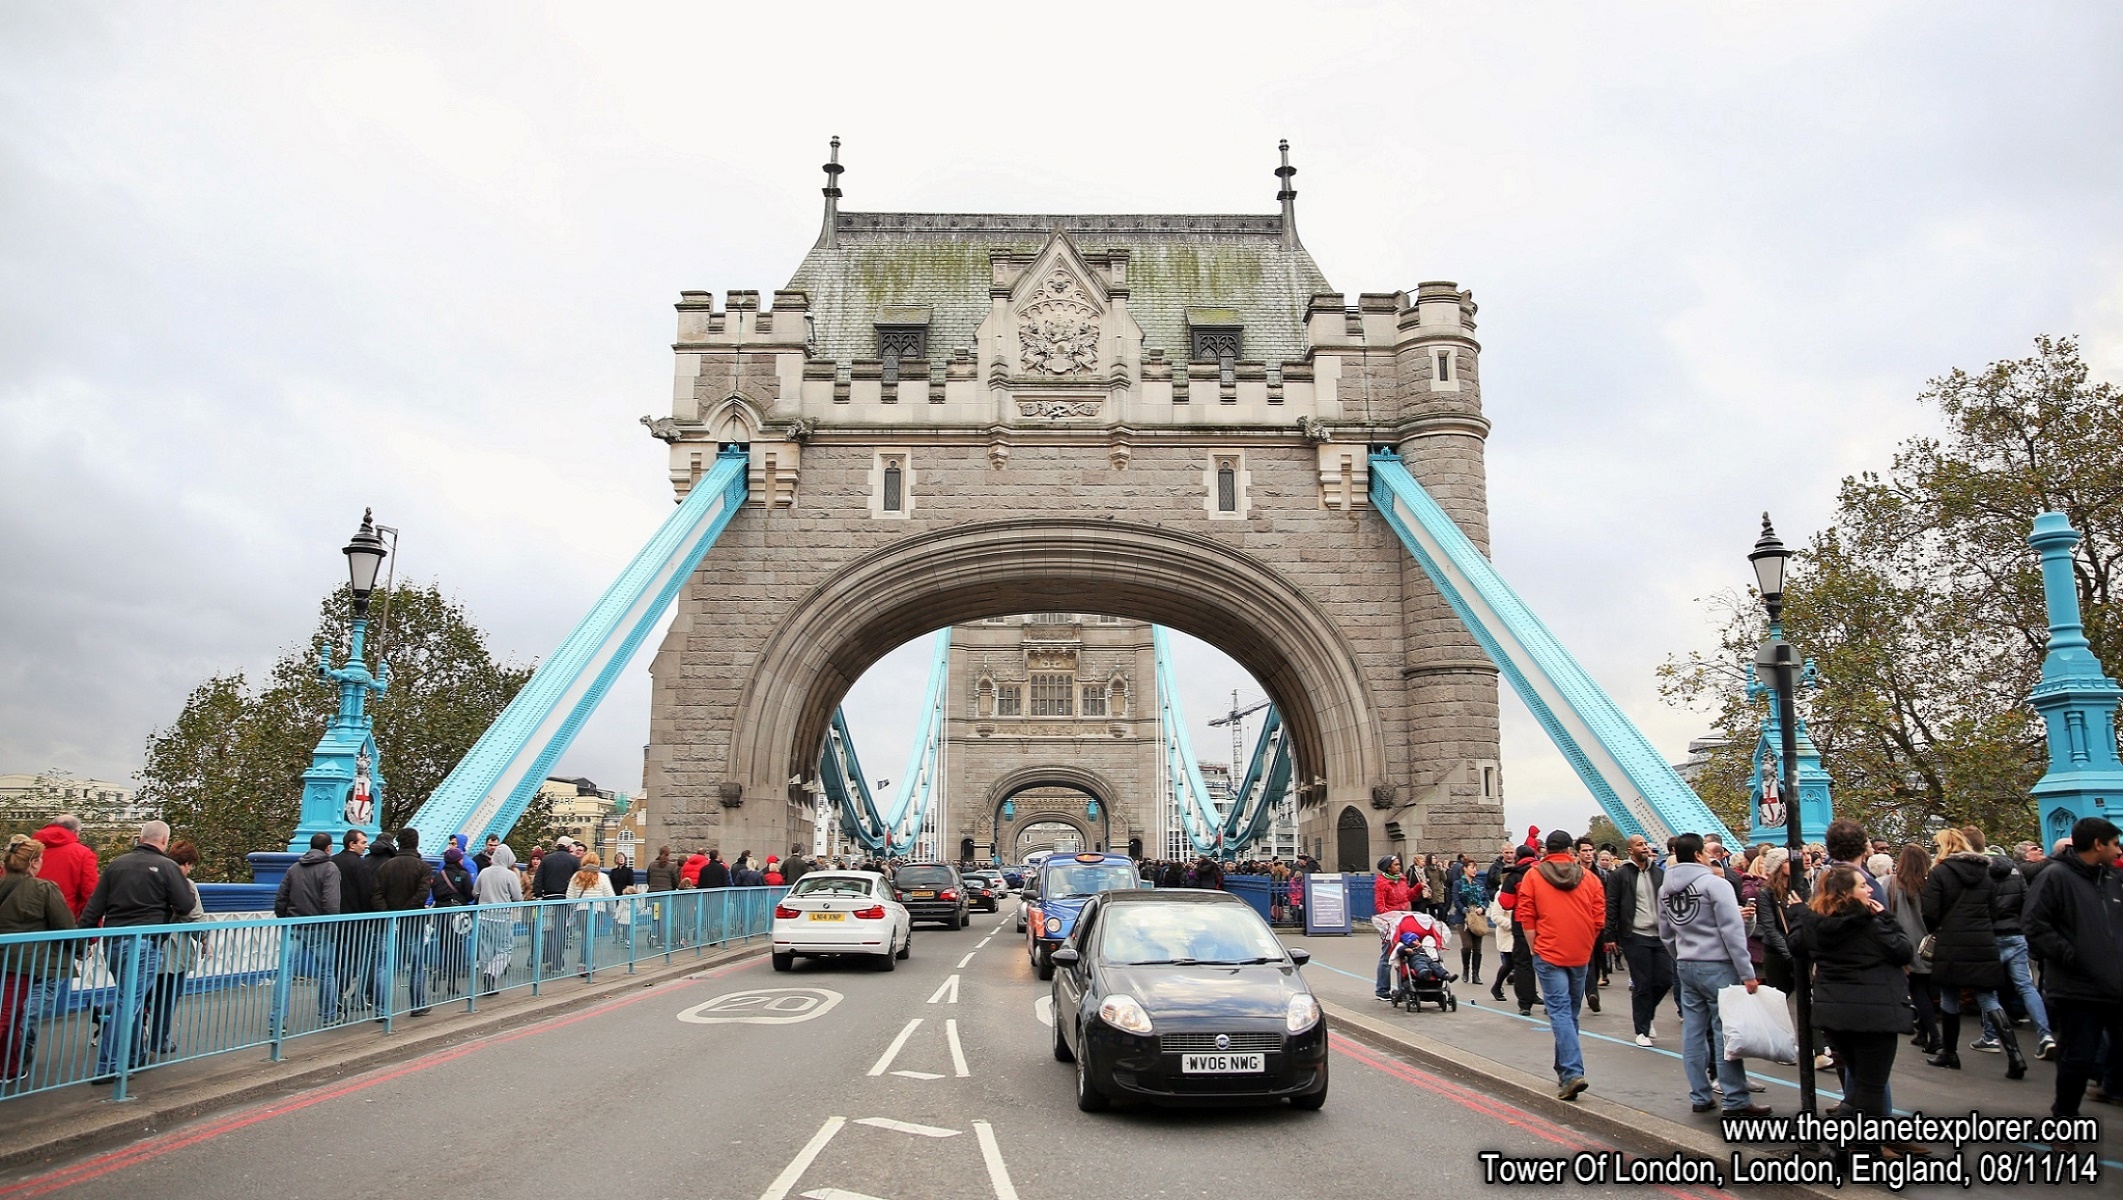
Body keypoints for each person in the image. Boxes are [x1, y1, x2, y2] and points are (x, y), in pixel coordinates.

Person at [1790, 864, 1914, 1160]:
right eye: (1862, 886)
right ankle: (1836, 1141)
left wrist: (1799, 915)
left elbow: (1796, 945)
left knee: (1859, 1079)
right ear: (1846, 893)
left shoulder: (1816, 924)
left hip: (1835, 1016)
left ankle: (1863, 1148)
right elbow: (1904, 952)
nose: (1870, 889)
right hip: (1875, 1015)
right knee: (1870, 1088)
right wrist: (1885, 917)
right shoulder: (1872, 924)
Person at [1658, 833, 1770, 1118]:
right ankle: (1735, 1099)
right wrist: (1747, 973)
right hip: (1718, 964)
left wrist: (1681, 955)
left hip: (1687, 963)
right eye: (1707, 853)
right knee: (1725, 1032)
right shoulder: (1715, 885)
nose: (1712, 857)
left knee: (1693, 1032)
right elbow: (1732, 933)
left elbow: (1666, 933)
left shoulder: (1665, 889)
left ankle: (1700, 1094)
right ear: (1697, 855)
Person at [79, 821, 199, 1081]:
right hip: (145, 943)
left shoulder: (116, 865)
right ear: (165, 840)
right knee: (129, 1003)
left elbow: (94, 907)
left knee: (130, 1001)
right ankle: (109, 1067)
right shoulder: (168, 867)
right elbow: (187, 905)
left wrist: (81, 943)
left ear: (140, 837)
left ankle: (133, 1058)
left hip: (113, 942)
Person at [2022, 816, 2123, 1121]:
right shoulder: (2055, 876)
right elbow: (2034, 924)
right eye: (2115, 844)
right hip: (2077, 989)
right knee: (2077, 1058)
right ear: (2097, 844)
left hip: (2115, 985)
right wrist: (2070, 954)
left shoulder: (2112, 879)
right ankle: (2064, 1118)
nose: (2119, 851)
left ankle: (2110, 1087)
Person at [1515, 830, 1607, 1101]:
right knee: (1570, 1013)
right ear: (1570, 851)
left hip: (1548, 951)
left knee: (1559, 1012)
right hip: (1580, 952)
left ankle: (1571, 1072)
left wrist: (1534, 948)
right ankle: (1563, 1069)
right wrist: (1587, 941)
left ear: (1546, 851)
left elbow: (1526, 915)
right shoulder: (1589, 878)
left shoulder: (1533, 875)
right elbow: (1599, 917)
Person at [1920, 827, 2020, 1077]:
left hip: (1951, 940)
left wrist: (1938, 928)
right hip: (1983, 939)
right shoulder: (1985, 873)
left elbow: (1930, 911)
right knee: (1988, 997)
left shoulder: (1939, 872)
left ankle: (1950, 1053)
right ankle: (2015, 1053)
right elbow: (1994, 909)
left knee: (1949, 996)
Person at [1968, 828, 2055, 1062]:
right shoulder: (2015, 872)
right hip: (2016, 934)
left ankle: (1990, 1036)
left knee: (1989, 988)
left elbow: (1979, 905)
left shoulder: (1980, 873)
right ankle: (2046, 1035)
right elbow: (2027, 900)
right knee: (2026, 986)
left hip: (1991, 935)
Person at [0, 835, 77, 1084]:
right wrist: (78, 950)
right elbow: (65, 926)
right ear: (33, 862)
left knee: (11, 1015)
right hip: (20, 962)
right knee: (9, 1015)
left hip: (8, 958)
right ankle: (8, 1068)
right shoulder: (44, 888)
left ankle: (9, 1068)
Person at [270, 832, 342, 1032]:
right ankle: (328, 1016)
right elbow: (331, 903)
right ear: (328, 848)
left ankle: (277, 1021)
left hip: (294, 924)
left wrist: (284, 919)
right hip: (320, 927)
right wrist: (332, 926)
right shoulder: (330, 868)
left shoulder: (294, 868)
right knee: (327, 972)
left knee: (284, 973)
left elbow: (281, 899)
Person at [1605, 833, 1671, 1047]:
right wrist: (1610, 935)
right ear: (1630, 850)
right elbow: (1612, 905)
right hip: (1635, 936)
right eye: (1639, 844)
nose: (1645, 847)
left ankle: (1647, 1015)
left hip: (1659, 935)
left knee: (1664, 980)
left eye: (1645, 844)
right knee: (1642, 983)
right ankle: (1641, 1030)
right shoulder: (1620, 875)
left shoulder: (1659, 873)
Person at [141, 841, 207, 1056]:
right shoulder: (185, 885)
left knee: (140, 998)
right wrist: (205, 939)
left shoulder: (149, 879)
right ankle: (158, 1041)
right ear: (187, 864)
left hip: (144, 946)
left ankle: (132, 1044)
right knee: (166, 999)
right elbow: (195, 918)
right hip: (174, 952)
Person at [373, 827, 437, 1018]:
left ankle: (381, 1011)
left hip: (387, 921)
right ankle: (417, 1005)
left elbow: (376, 894)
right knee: (416, 965)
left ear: (398, 843)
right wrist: (405, 912)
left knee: (384, 966)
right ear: (416, 843)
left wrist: (389, 914)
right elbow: (422, 895)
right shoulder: (423, 867)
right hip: (413, 922)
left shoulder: (385, 866)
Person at [330, 829, 377, 1013]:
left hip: (334, 918)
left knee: (336, 959)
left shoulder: (332, 861)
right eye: (363, 842)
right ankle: (341, 991)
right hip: (357, 920)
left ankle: (332, 995)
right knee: (354, 960)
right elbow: (366, 893)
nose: (366, 846)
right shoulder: (360, 865)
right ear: (352, 844)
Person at [473, 842, 523, 996]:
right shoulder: (510, 875)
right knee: (505, 949)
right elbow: (518, 897)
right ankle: (492, 973)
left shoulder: (484, 872)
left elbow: (475, 892)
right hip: (502, 916)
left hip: (483, 915)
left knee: (485, 949)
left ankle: (487, 985)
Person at [1497, 845, 1542, 1014]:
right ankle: (1549, 998)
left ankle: (1525, 1002)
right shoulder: (1544, 872)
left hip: (1522, 921)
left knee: (1523, 963)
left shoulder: (1514, 875)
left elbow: (1506, 902)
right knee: (1549, 962)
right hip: (1545, 921)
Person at [31, 814, 99, 919]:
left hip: (27, 918)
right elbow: (89, 892)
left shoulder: (26, 849)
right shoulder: (83, 854)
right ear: (76, 832)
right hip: (65, 920)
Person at [429, 845, 476, 995]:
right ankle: (452, 982)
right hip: (457, 914)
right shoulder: (463, 874)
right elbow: (470, 895)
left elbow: (435, 894)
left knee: (443, 946)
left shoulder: (438, 875)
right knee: (456, 948)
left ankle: (440, 970)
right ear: (458, 860)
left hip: (441, 913)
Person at [534, 838, 581, 971]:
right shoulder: (573, 861)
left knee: (548, 930)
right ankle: (557, 962)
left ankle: (546, 958)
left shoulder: (547, 859)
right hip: (564, 899)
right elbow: (578, 880)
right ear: (567, 846)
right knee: (560, 932)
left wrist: (538, 895)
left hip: (548, 898)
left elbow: (538, 879)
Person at [565, 852, 614, 977]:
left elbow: (569, 896)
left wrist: (574, 907)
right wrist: (612, 910)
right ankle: (586, 964)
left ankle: (584, 964)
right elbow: (610, 897)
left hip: (581, 910)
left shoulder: (576, 876)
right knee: (590, 938)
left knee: (585, 937)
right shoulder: (602, 877)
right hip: (597, 911)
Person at [1372, 856, 1414, 1000]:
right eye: (1396, 865)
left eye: (1399, 864)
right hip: (1390, 923)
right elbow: (1380, 905)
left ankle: (1404, 989)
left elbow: (1409, 896)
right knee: (1388, 955)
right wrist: (1388, 918)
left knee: (1403, 954)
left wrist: (1420, 888)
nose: (1399, 867)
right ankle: (1382, 990)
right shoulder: (1382, 883)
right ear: (1388, 867)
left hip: (1403, 920)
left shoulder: (1402, 879)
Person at [1451, 861, 1487, 985]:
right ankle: (1466, 969)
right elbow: (1456, 900)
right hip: (1463, 918)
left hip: (1478, 917)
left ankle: (1475, 974)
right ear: (1465, 869)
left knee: (1477, 948)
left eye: (1475, 867)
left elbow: (1486, 898)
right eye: (1472, 867)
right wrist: (1464, 910)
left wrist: (1482, 907)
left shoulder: (1480, 883)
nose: (1474, 870)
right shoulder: (1458, 884)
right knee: (1467, 946)